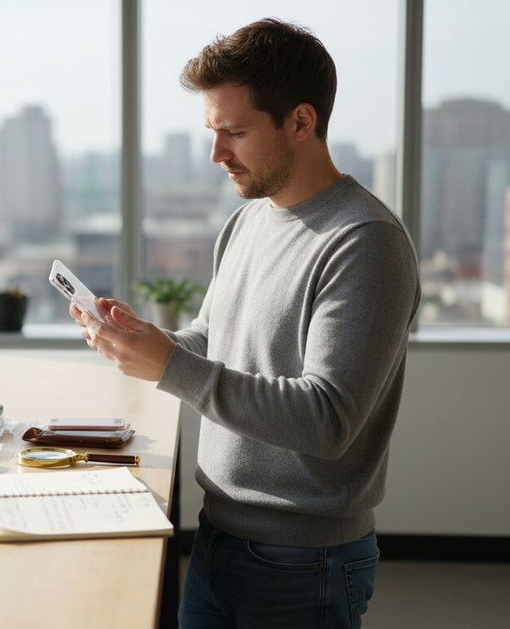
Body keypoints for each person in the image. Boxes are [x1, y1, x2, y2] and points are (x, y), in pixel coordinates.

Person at [69, 18, 421, 628]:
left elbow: (328, 418)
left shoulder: (365, 242)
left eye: (234, 132)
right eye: (212, 131)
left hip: (303, 562)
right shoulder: (249, 220)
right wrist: (145, 344)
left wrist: (173, 366)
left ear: (302, 123)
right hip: (217, 531)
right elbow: (213, 343)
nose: (216, 154)